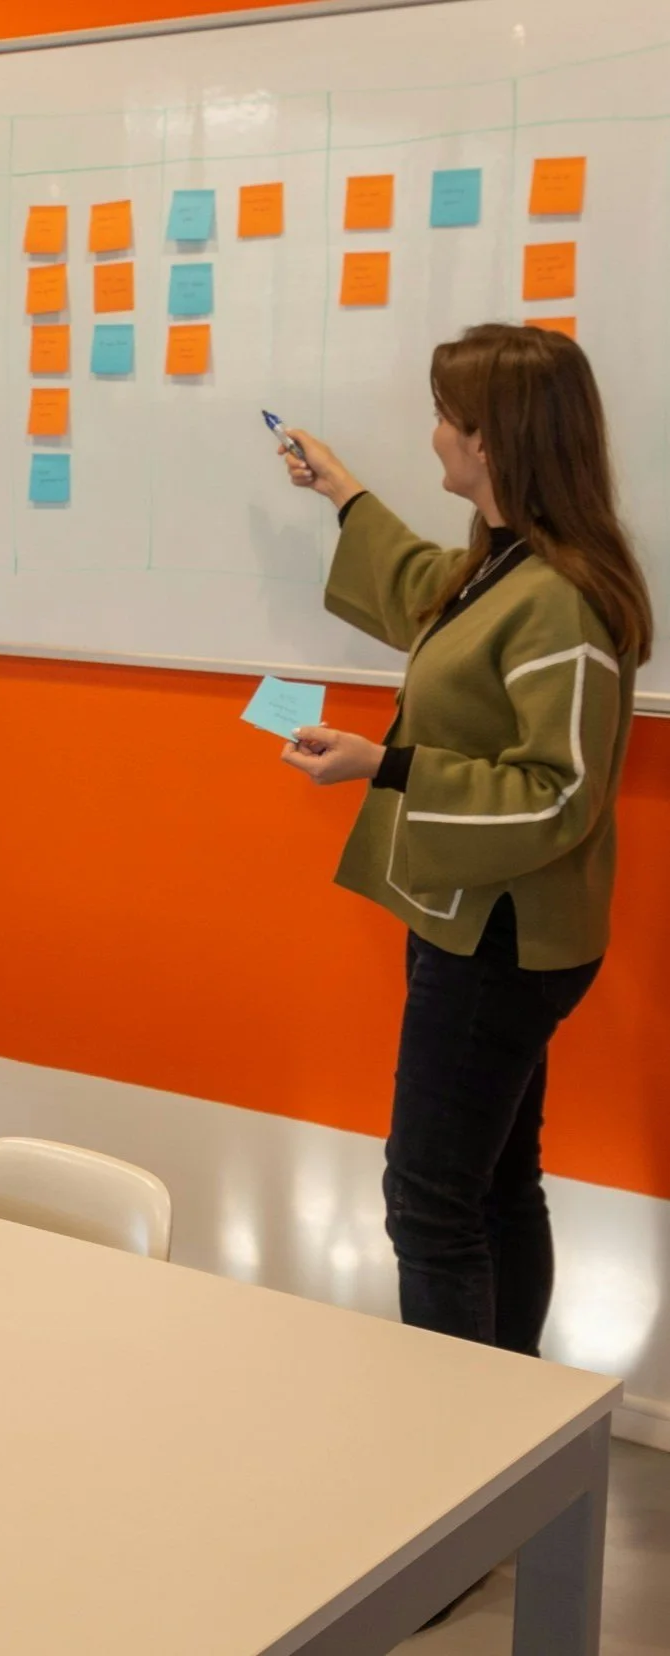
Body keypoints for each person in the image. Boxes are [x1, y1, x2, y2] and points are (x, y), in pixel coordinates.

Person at [278, 322, 651, 1370]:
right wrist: (342, 493)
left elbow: (557, 794)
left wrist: (384, 766)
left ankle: (460, 1471)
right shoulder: (507, 565)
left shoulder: (562, 599)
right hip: (485, 924)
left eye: (446, 416)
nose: (433, 432)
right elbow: (427, 599)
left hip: (501, 943)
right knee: (493, 1185)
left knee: (430, 1202)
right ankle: (507, 1432)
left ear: (489, 442)